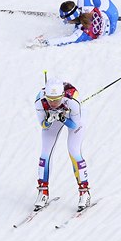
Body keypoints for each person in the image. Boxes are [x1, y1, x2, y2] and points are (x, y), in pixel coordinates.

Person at [33, 78, 91, 211]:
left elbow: (75, 124)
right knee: (45, 153)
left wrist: (63, 118)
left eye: (57, 100)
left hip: (72, 118)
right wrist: (48, 120)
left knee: (74, 151)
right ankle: (43, 192)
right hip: (55, 118)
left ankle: (84, 192)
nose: (53, 103)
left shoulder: (72, 100)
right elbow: (42, 124)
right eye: (50, 100)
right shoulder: (40, 101)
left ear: (62, 96)